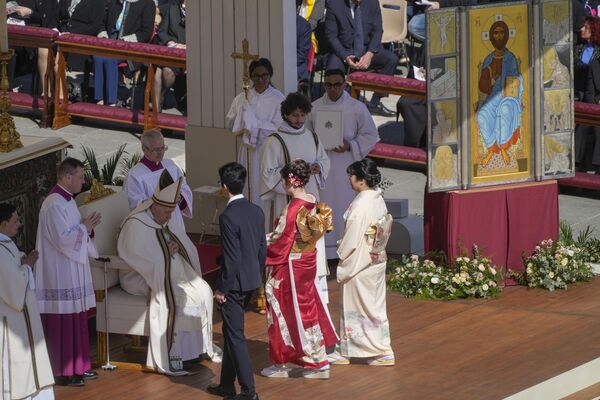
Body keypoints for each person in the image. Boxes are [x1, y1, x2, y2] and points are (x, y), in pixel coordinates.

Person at [118, 171, 220, 375]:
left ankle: (197, 349)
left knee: (203, 290)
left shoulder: (161, 217)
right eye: (166, 213)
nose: (169, 217)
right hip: (139, 276)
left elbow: (174, 243)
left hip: (166, 271)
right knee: (181, 298)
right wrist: (166, 251)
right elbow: (136, 257)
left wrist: (174, 247)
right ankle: (178, 355)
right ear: (154, 207)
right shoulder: (135, 224)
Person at [261, 160, 338, 380]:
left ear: (290, 181)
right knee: (307, 307)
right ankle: (316, 358)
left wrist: (261, 245)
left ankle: (284, 360)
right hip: (308, 259)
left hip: (291, 264)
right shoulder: (312, 200)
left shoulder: (293, 207)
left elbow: (281, 239)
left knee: (281, 308)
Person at [35, 158, 102, 387]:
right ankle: (63, 372)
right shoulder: (53, 204)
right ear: (66, 177)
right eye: (81, 177)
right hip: (59, 273)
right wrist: (85, 228)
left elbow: (74, 231)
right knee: (63, 321)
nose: (83, 181)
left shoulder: (67, 200)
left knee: (76, 318)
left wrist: (86, 228)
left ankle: (79, 367)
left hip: (71, 270)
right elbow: (63, 241)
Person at [259, 92, 330, 301]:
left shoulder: (312, 136)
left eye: (302, 115)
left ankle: (314, 286)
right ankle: (287, 287)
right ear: (286, 115)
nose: (299, 120)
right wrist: (296, 177)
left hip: (310, 199)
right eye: (295, 115)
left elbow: (324, 160)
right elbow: (268, 173)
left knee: (312, 242)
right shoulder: (274, 141)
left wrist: (318, 167)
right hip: (287, 200)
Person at [206, 162, 265, 400]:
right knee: (231, 333)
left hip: (234, 284)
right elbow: (262, 249)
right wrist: (256, 275)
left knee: (236, 336)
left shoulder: (228, 216)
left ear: (224, 186)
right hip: (251, 280)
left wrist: (222, 288)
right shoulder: (256, 211)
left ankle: (249, 391)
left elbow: (231, 257)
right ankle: (226, 385)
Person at [328, 158, 395, 367]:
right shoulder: (377, 197)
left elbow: (352, 239)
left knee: (358, 306)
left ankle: (359, 350)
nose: (349, 179)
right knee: (374, 306)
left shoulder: (361, 204)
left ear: (361, 180)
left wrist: (343, 255)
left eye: (352, 175)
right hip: (376, 257)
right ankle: (382, 348)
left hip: (361, 261)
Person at [306, 69, 378, 259]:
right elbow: (306, 135)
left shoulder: (356, 107)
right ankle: (324, 252)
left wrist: (350, 145)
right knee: (324, 204)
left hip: (347, 166)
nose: (333, 89)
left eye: (337, 84)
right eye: (328, 85)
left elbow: (371, 135)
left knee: (346, 206)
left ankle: (348, 249)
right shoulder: (314, 108)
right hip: (322, 166)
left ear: (345, 84)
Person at [0, 203, 55, 399]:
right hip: (11, 319)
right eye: (15, 220)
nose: (19, 224)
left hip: (22, 317)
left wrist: (23, 264)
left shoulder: (7, 244)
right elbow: (13, 286)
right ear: (3, 224)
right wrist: (27, 267)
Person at [226, 58, 285, 211]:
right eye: (256, 76)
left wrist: (253, 125)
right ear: (251, 77)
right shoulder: (242, 98)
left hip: (267, 152)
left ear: (270, 75)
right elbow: (230, 124)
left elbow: (279, 128)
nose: (260, 79)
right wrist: (242, 117)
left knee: (263, 192)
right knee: (246, 188)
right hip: (246, 152)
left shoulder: (278, 99)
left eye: (264, 75)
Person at [323, 0, 398, 117]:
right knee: (332, 71)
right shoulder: (334, 3)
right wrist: (345, 56)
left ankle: (375, 102)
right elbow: (331, 35)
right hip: (343, 50)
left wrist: (370, 54)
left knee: (391, 59)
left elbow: (377, 31)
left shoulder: (372, 2)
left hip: (365, 49)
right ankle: (343, 101)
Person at [124, 129, 192, 233]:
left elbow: (184, 187)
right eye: (156, 149)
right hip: (152, 227)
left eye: (163, 148)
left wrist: (181, 197)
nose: (161, 153)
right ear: (144, 149)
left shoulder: (170, 166)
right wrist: (160, 203)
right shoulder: (135, 175)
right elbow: (134, 205)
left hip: (175, 220)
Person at [476, 20, 523, 167]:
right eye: (495, 33)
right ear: (490, 37)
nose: (498, 36)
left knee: (504, 110)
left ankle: (503, 149)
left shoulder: (511, 58)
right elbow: (483, 87)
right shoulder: (488, 59)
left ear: (507, 36)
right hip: (492, 97)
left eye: (502, 32)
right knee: (482, 114)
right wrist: (490, 78)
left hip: (508, 97)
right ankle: (492, 148)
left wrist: (517, 96)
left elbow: (517, 79)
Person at [94, 0, 155, 105]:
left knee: (110, 59)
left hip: (130, 47)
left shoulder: (148, 3)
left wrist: (124, 41)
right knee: (98, 57)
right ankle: (99, 100)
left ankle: (111, 102)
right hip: (109, 42)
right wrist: (103, 35)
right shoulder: (115, 1)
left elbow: (146, 33)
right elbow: (102, 22)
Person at [575, 16, 600, 172]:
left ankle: (598, 168)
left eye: (585, 27)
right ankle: (577, 166)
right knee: (581, 128)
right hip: (581, 96)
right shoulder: (578, 49)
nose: (581, 30)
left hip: (595, 97)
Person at [155, 0, 186, 112]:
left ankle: (160, 98)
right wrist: (170, 42)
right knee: (161, 72)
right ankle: (158, 104)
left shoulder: (199, 13)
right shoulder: (173, 9)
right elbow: (162, 32)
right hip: (172, 52)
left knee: (163, 72)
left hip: (188, 55)